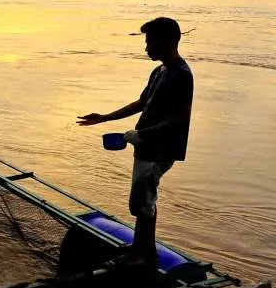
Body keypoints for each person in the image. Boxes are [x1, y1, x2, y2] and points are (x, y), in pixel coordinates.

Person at [77, 16, 193, 267]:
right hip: (146, 146)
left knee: (144, 199)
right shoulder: (159, 71)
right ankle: (142, 247)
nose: (147, 48)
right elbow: (142, 103)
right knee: (141, 198)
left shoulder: (181, 74)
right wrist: (104, 118)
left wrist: (143, 135)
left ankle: (143, 254)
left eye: (150, 42)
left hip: (160, 147)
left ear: (168, 41)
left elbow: (179, 119)